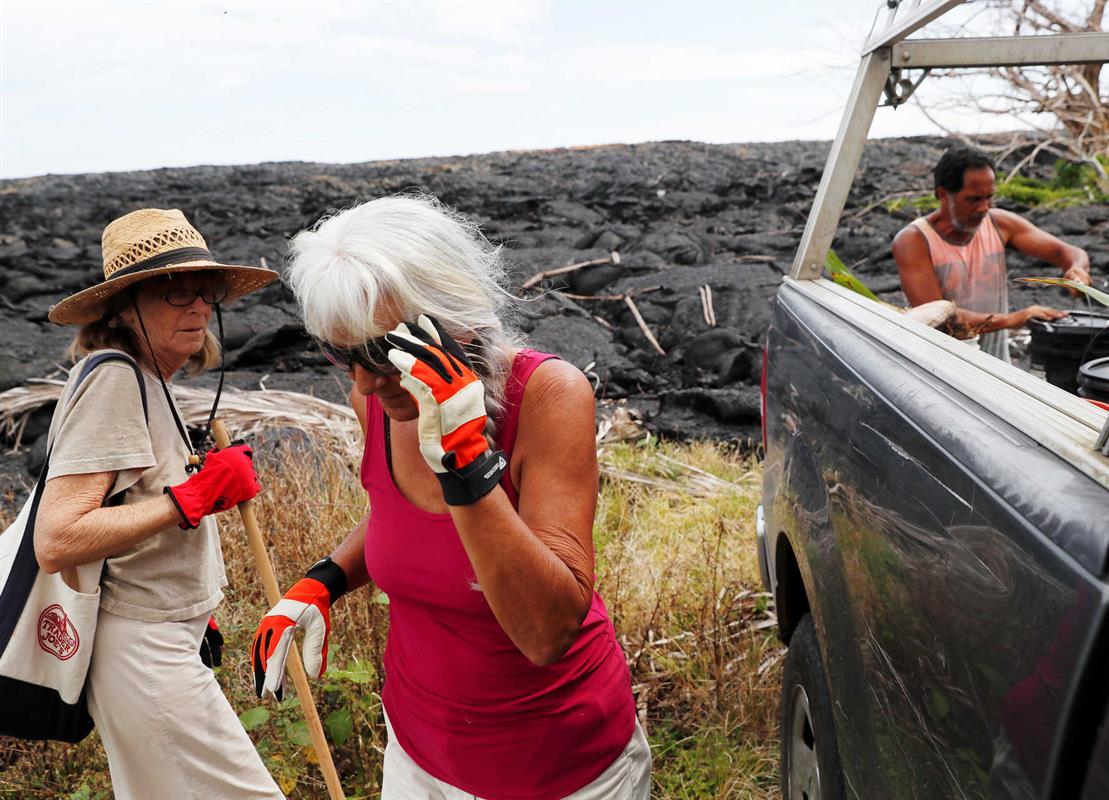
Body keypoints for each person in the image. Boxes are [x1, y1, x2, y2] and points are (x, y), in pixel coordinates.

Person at [250, 195, 650, 799]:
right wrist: (324, 581)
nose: (361, 382)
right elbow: (400, 519)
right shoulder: (377, 401)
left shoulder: (547, 397)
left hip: (558, 765)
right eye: (341, 353)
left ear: (454, 319)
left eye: (382, 352)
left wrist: (467, 467)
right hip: (418, 752)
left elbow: (547, 633)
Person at [37, 208, 283, 799]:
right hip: (142, 651)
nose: (197, 307)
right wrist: (192, 498)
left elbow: (134, 509)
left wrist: (196, 604)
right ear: (124, 307)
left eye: (206, 292)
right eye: (175, 292)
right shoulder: (116, 379)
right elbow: (58, 538)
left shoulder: (150, 380)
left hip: (160, 636)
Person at [892, 145, 1092, 361]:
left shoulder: (999, 223)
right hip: (940, 367)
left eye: (989, 197)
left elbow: (1067, 252)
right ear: (943, 194)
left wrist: (1076, 269)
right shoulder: (914, 241)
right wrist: (1013, 319)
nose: (984, 208)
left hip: (997, 365)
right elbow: (938, 316)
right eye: (974, 199)